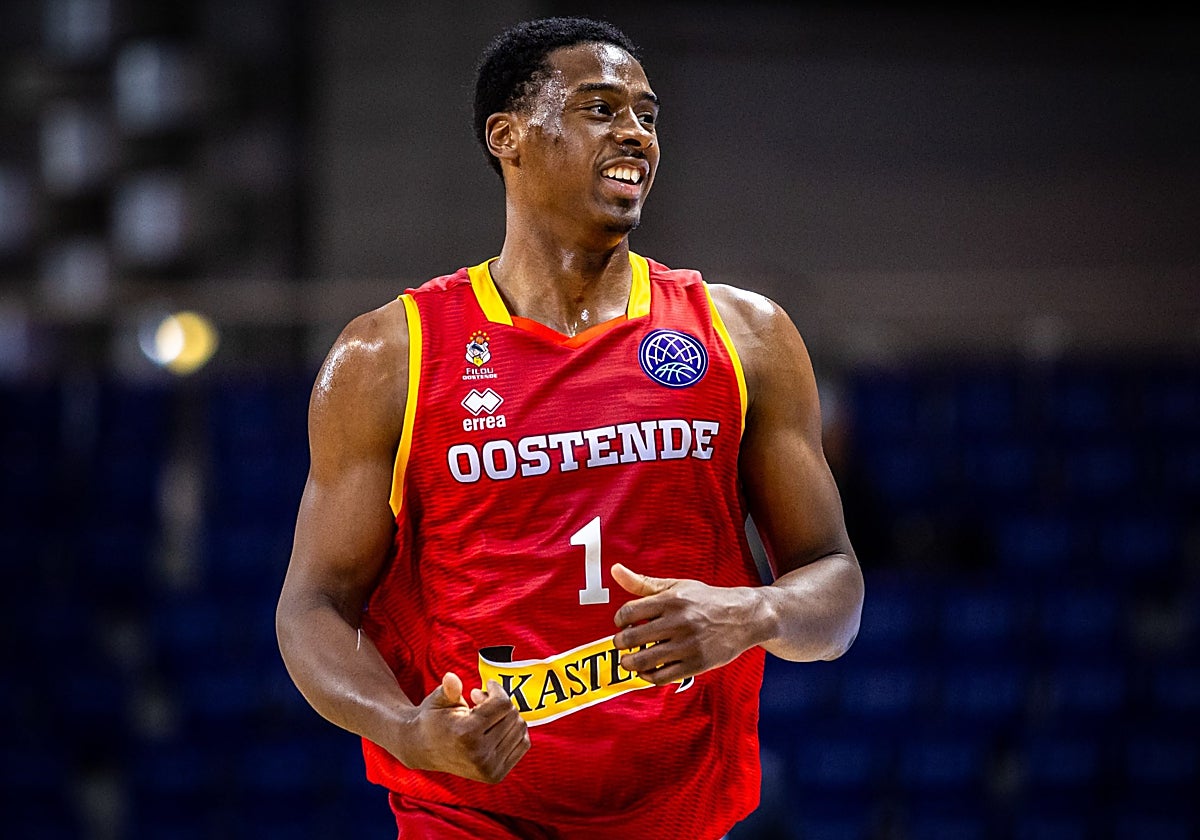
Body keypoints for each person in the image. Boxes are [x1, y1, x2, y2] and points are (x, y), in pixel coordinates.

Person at [276, 16, 864, 840]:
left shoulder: (747, 335)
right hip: (470, 817)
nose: (635, 133)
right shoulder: (389, 356)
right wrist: (408, 730)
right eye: (600, 108)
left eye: (648, 116)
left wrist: (753, 613)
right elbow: (312, 607)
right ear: (508, 137)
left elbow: (835, 583)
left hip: (677, 812)